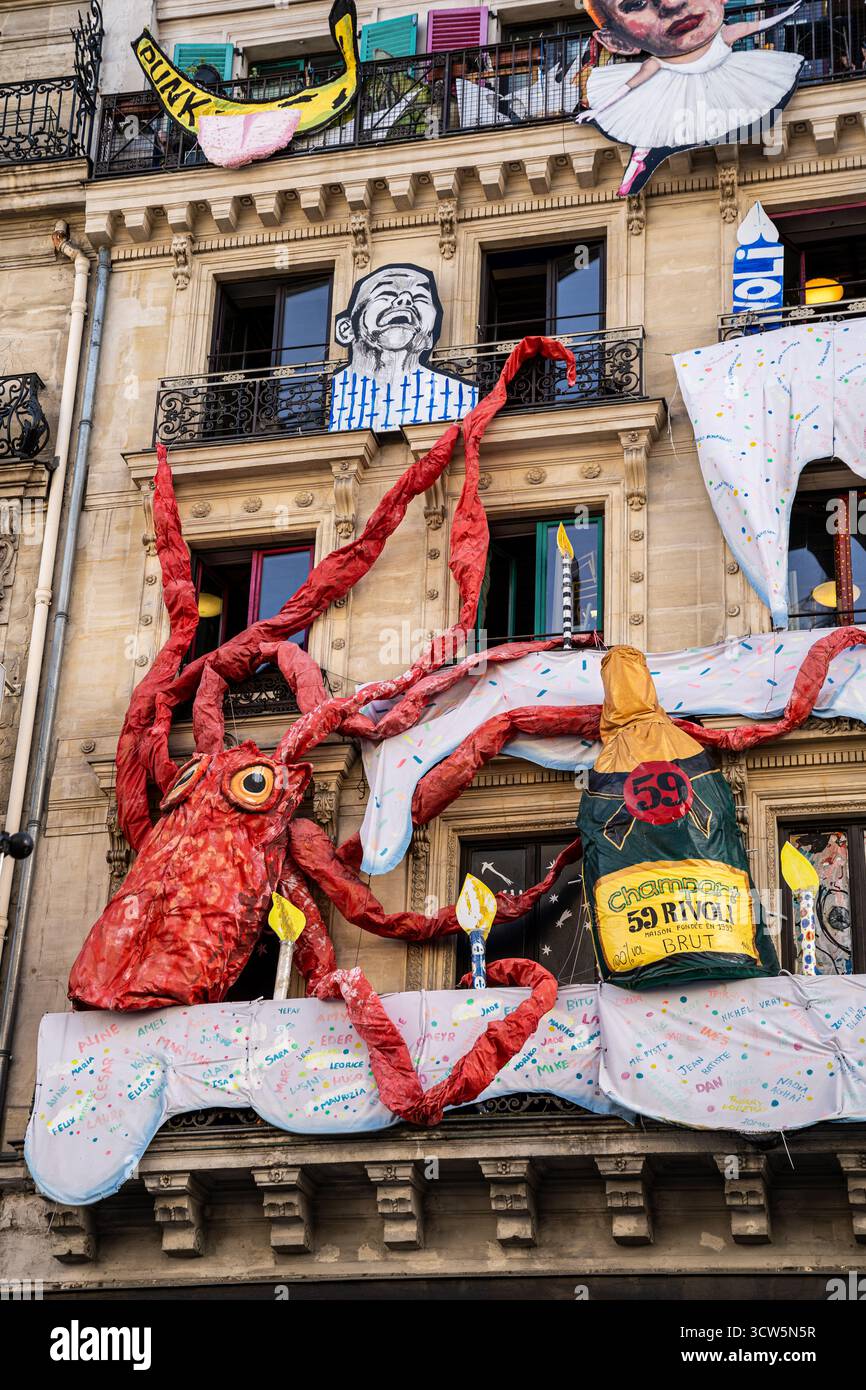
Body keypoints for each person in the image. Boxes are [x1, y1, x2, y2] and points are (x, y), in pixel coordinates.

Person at [575, 0, 805, 196]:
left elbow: (759, 24)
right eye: (636, 4)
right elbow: (629, 84)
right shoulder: (658, 63)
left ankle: (639, 165)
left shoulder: (723, 35)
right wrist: (597, 110)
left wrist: (789, 12)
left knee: (663, 129)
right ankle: (635, 171)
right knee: (650, 131)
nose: (672, 4)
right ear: (616, 42)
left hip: (718, 84)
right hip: (671, 89)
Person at [328, 264, 478, 432]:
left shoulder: (458, 396)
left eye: (420, 297)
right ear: (346, 329)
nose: (406, 299)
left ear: (429, 336)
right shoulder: (332, 395)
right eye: (386, 293)